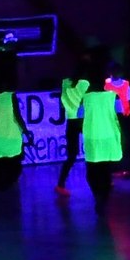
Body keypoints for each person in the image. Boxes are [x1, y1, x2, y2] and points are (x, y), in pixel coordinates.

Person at [0, 78, 31, 205]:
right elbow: (18, 116)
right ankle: (5, 186)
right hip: (10, 139)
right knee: (15, 168)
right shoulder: (10, 96)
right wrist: (26, 131)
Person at [82, 67, 125, 215]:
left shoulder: (85, 96)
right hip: (108, 134)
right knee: (105, 170)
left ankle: (98, 197)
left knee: (92, 171)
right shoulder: (112, 95)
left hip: (92, 135)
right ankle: (103, 199)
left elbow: (78, 113)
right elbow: (121, 111)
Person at [55, 62, 90, 197]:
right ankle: (100, 178)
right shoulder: (85, 83)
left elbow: (63, 100)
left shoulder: (65, 82)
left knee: (72, 154)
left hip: (71, 121)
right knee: (94, 149)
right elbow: (85, 102)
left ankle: (60, 184)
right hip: (83, 120)